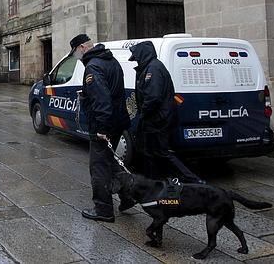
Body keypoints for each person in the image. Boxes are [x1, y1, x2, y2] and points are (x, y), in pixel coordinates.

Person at [70, 33, 135, 222]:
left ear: (82, 47)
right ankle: (128, 196)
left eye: (75, 52)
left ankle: (103, 209)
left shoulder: (93, 66)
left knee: (98, 167)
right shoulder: (110, 60)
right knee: (110, 161)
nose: (76, 56)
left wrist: (102, 129)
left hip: (104, 126)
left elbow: (102, 100)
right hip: (117, 121)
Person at [129, 41, 204, 184]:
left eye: (137, 57)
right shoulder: (151, 67)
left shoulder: (153, 69)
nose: (136, 60)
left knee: (162, 151)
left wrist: (143, 114)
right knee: (150, 152)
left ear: (143, 55)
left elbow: (153, 97)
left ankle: (193, 180)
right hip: (157, 118)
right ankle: (153, 180)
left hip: (158, 119)